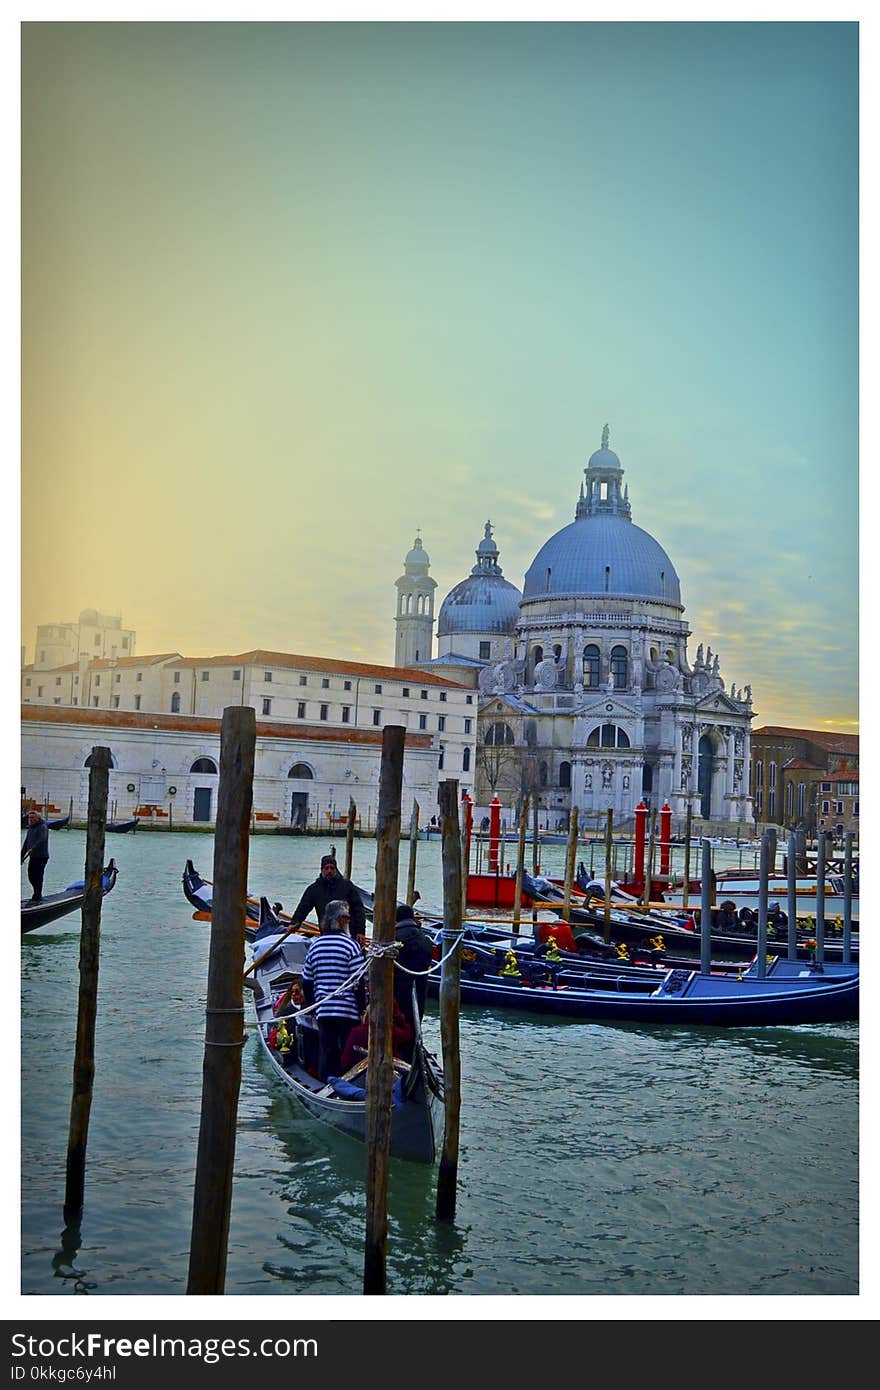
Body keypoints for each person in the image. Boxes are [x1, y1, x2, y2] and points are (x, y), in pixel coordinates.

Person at [301, 900, 365, 1081]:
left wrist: (313, 1007)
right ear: (341, 920)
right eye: (347, 918)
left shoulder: (315, 945)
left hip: (324, 1009)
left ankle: (325, 1084)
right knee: (347, 1051)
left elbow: (307, 981)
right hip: (348, 1010)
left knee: (327, 1049)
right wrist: (362, 1008)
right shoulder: (351, 946)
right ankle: (347, 1083)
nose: (349, 922)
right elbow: (358, 981)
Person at [392, 903, 435, 1053]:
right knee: (414, 1024)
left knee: (398, 1023)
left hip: (398, 989)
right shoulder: (426, 940)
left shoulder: (394, 938)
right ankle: (413, 1052)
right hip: (420, 987)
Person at [290, 854, 367, 936]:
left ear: (336, 870)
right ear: (322, 870)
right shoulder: (314, 889)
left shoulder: (347, 886)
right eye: (326, 868)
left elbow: (359, 909)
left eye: (332, 868)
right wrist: (294, 923)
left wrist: (360, 931)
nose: (329, 871)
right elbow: (303, 909)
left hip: (349, 933)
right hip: (326, 933)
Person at [338, 998, 413, 1074]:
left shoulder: (357, 1032)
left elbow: (345, 1061)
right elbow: (408, 1034)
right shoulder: (391, 1030)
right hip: (388, 1071)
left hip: (363, 1073)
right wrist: (398, 1015)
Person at [21, 811, 50, 904]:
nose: (31, 819)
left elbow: (42, 839)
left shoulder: (43, 827)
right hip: (33, 856)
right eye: (30, 818)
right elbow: (26, 843)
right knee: (31, 876)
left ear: (37, 818)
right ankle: (36, 893)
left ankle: (38, 896)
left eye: (33, 818)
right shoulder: (30, 828)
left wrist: (33, 848)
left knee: (38, 876)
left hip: (41, 856)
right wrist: (21, 856)